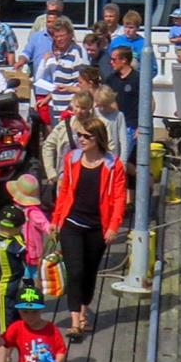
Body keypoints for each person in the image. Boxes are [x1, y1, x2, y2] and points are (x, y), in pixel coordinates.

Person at [51, 116, 126, 341]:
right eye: (79, 135)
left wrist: (113, 227)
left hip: (97, 226)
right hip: (72, 222)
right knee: (75, 271)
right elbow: (64, 191)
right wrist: (56, 219)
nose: (81, 140)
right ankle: (75, 321)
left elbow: (119, 198)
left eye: (86, 136)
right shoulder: (72, 159)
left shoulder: (114, 165)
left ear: (98, 138)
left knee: (90, 272)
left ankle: (83, 311)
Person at [0, 205, 29, 362]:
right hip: (4, 292)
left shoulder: (14, 237)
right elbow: (26, 252)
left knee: (17, 329)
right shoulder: (6, 242)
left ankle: (7, 361)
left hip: (16, 290)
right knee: (5, 336)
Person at [33, 16, 85, 124]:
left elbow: (81, 85)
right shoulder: (60, 54)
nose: (59, 39)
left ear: (70, 34)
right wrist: (47, 98)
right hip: (56, 107)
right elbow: (59, 83)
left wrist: (68, 89)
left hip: (69, 109)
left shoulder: (77, 53)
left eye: (62, 36)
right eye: (56, 37)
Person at [41, 91, 94, 186]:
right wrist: (51, 172)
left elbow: (107, 147)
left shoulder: (96, 126)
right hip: (64, 177)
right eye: (77, 107)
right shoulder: (63, 126)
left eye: (83, 108)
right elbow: (48, 146)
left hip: (90, 177)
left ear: (89, 108)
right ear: (72, 105)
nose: (79, 111)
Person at [5, 174, 52, 272]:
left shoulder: (33, 213)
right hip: (18, 246)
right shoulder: (16, 208)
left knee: (32, 277)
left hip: (32, 252)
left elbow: (45, 225)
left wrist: (52, 230)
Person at [105, 47, 139, 154]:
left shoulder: (137, 78)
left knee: (121, 158)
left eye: (114, 60)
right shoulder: (111, 79)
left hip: (131, 126)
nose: (111, 62)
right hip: (114, 124)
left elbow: (149, 103)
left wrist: (141, 127)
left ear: (124, 60)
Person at [15, 1, 61, 76]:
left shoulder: (63, 39)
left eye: (54, 22)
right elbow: (26, 53)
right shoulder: (36, 37)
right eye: (49, 22)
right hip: (40, 81)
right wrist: (21, 61)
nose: (51, 25)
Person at [110, 10, 158, 77]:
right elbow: (109, 62)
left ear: (137, 28)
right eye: (125, 27)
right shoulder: (116, 42)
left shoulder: (144, 44)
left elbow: (152, 67)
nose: (128, 30)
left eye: (131, 28)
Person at [94, 85, 128, 162]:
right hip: (96, 156)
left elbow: (123, 141)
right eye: (99, 105)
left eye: (104, 105)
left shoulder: (119, 116)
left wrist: (123, 161)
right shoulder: (94, 113)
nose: (102, 108)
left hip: (112, 157)